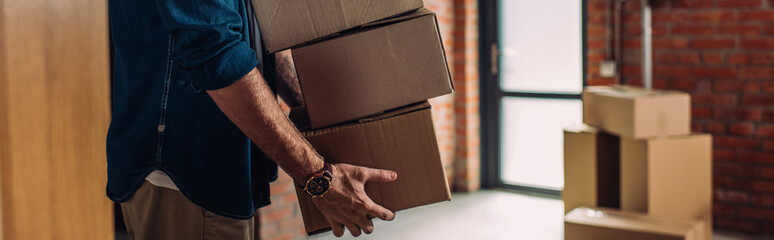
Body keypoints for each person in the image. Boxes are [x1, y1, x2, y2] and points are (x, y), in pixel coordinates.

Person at [106, 0, 395, 239]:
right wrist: (318, 178)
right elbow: (216, 56)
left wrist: (314, 112)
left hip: (218, 172)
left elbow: (249, 40)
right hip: (185, 177)